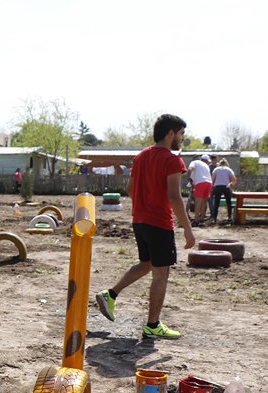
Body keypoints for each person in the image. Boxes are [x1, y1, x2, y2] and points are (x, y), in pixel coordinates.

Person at [95, 114, 195, 340]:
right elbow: (174, 197)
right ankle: (152, 325)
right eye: (181, 134)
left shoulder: (141, 156)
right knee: (161, 274)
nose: (182, 138)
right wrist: (188, 228)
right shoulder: (171, 160)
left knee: (147, 264)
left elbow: (130, 189)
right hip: (159, 222)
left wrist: (145, 202)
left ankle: (110, 294)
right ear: (171, 133)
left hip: (140, 221)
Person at [187, 154, 212, 226]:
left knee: (198, 202)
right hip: (208, 182)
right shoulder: (206, 165)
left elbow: (190, 169)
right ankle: (202, 219)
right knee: (204, 202)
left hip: (200, 183)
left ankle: (196, 220)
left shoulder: (194, 162)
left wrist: (188, 178)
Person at [210, 158, 237, 224]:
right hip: (226, 186)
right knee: (228, 202)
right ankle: (229, 217)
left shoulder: (216, 169)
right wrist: (231, 184)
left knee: (216, 203)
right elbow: (234, 179)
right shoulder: (229, 169)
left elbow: (212, 179)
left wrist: (212, 187)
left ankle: (215, 218)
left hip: (217, 186)